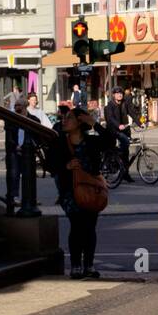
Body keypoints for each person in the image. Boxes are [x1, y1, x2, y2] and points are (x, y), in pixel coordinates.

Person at [46, 105, 110, 280]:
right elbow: (49, 165)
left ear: (80, 122)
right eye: (64, 118)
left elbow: (110, 141)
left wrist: (95, 123)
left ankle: (88, 265)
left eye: (70, 118)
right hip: (70, 191)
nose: (64, 121)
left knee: (90, 226)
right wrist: (65, 166)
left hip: (92, 190)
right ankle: (76, 265)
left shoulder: (91, 142)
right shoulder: (59, 142)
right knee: (77, 224)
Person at [103, 87, 134, 182]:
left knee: (126, 151)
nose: (119, 94)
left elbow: (132, 113)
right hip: (113, 130)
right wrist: (118, 125)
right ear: (113, 95)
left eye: (121, 93)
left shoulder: (125, 103)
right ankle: (109, 167)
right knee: (115, 148)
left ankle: (125, 173)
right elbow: (111, 118)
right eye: (117, 93)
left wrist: (141, 123)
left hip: (123, 130)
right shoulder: (110, 105)